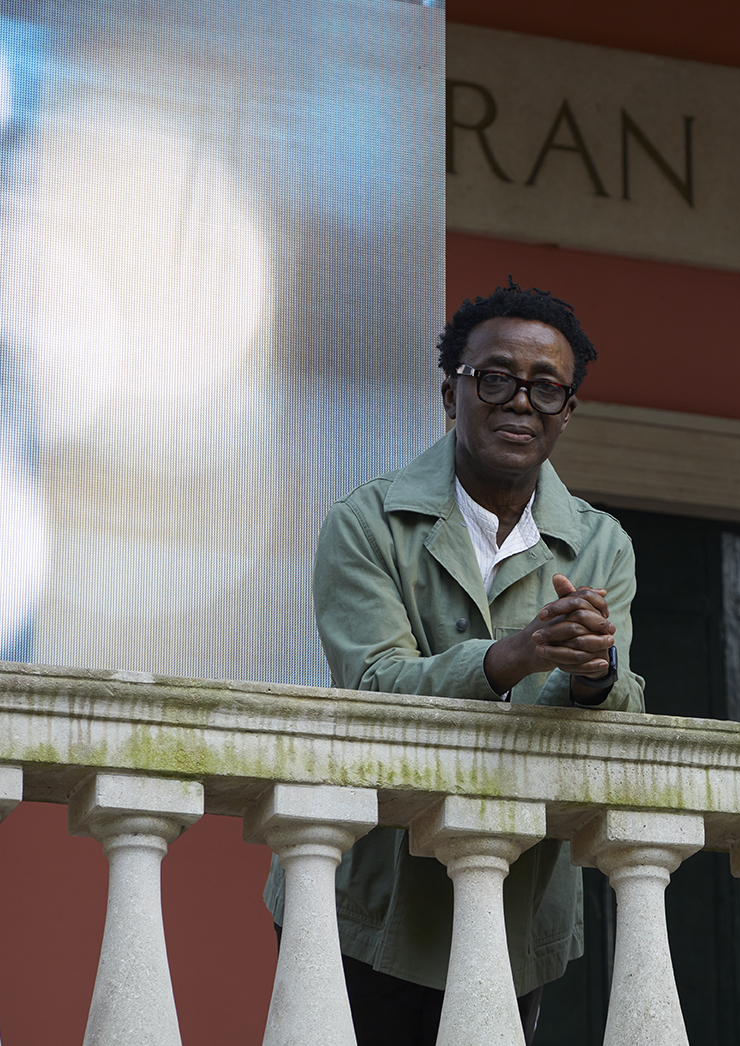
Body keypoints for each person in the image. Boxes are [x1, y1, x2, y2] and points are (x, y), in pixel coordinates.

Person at [264, 280, 646, 1045]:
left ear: (566, 412)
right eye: (494, 378)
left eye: (545, 387)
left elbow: (621, 705)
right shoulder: (366, 521)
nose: (519, 402)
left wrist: (592, 673)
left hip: (516, 902)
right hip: (367, 905)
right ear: (451, 393)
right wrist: (512, 655)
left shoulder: (602, 544)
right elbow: (374, 686)